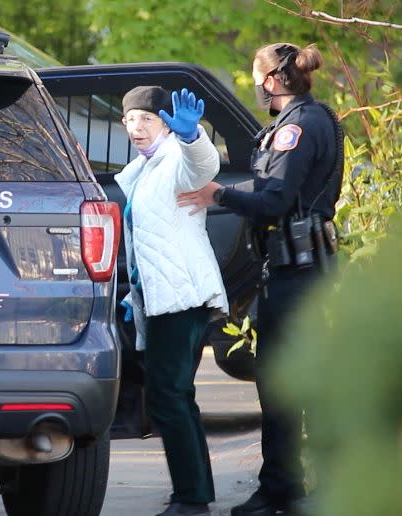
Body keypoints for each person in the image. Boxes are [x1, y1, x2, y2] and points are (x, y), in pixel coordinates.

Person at [177, 43, 343, 516]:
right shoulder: (314, 118)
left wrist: (220, 195)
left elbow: (274, 198)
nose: (256, 87)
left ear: (271, 80)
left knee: (284, 384)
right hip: (302, 270)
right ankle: (284, 488)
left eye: (257, 78)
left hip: (297, 273)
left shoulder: (296, 127)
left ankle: (286, 491)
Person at [116, 85, 229, 516]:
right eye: (129, 119)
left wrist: (191, 135)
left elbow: (204, 165)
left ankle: (192, 499)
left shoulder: (175, 161)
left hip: (180, 297)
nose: (136, 127)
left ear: (164, 122)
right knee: (174, 394)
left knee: (168, 395)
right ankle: (192, 492)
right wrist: (136, 292)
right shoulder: (142, 169)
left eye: (146, 119)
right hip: (161, 296)